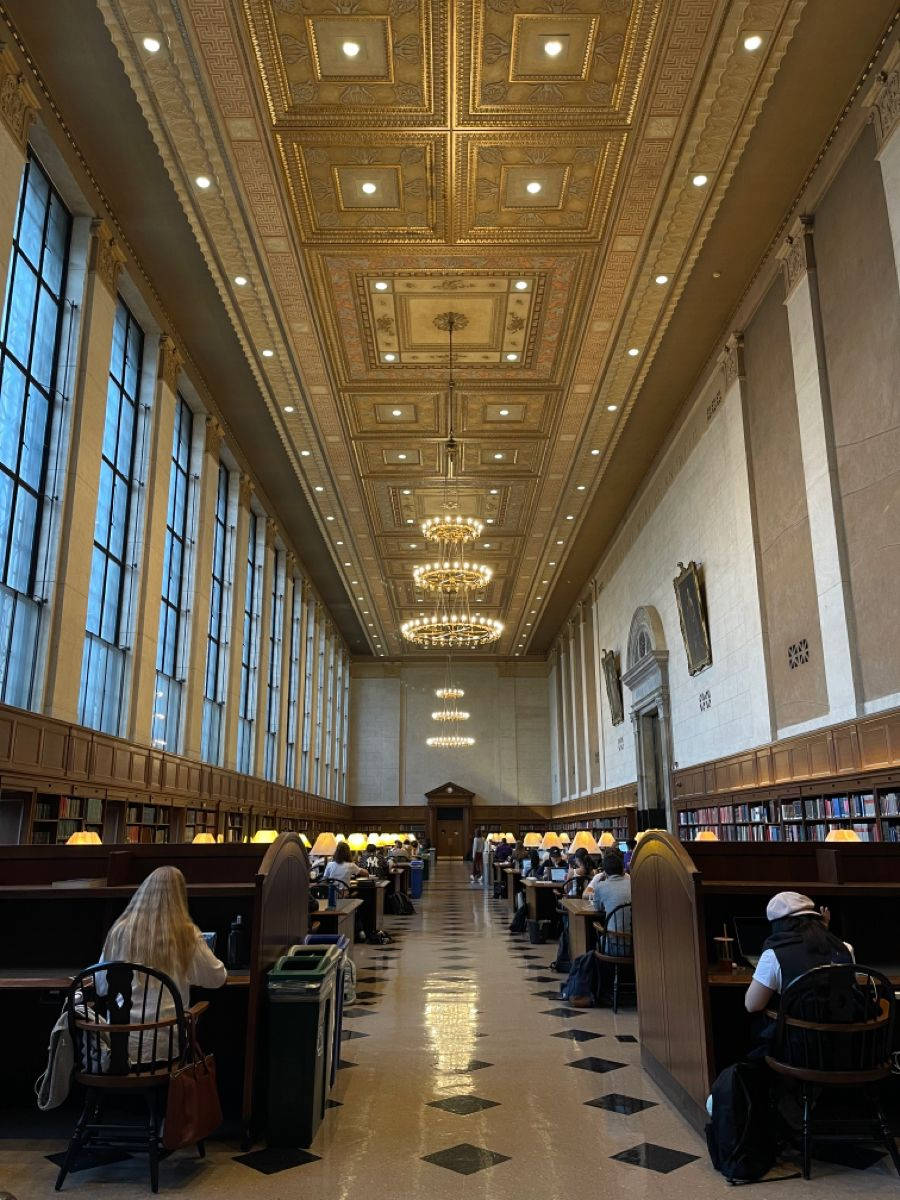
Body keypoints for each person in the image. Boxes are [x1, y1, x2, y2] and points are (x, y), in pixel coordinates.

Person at [98, 866, 226, 1061]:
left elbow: (100, 986)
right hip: (165, 1048)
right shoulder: (186, 934)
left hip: (118, 1046)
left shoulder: (120, 932)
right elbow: (217, 978)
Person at [744, 891, 853, 1014]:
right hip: (844, 1031)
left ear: (778, 925)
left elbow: (752, 1005)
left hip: (797, 1031)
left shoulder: (774, 955)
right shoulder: (844, 947)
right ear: (815, 919)